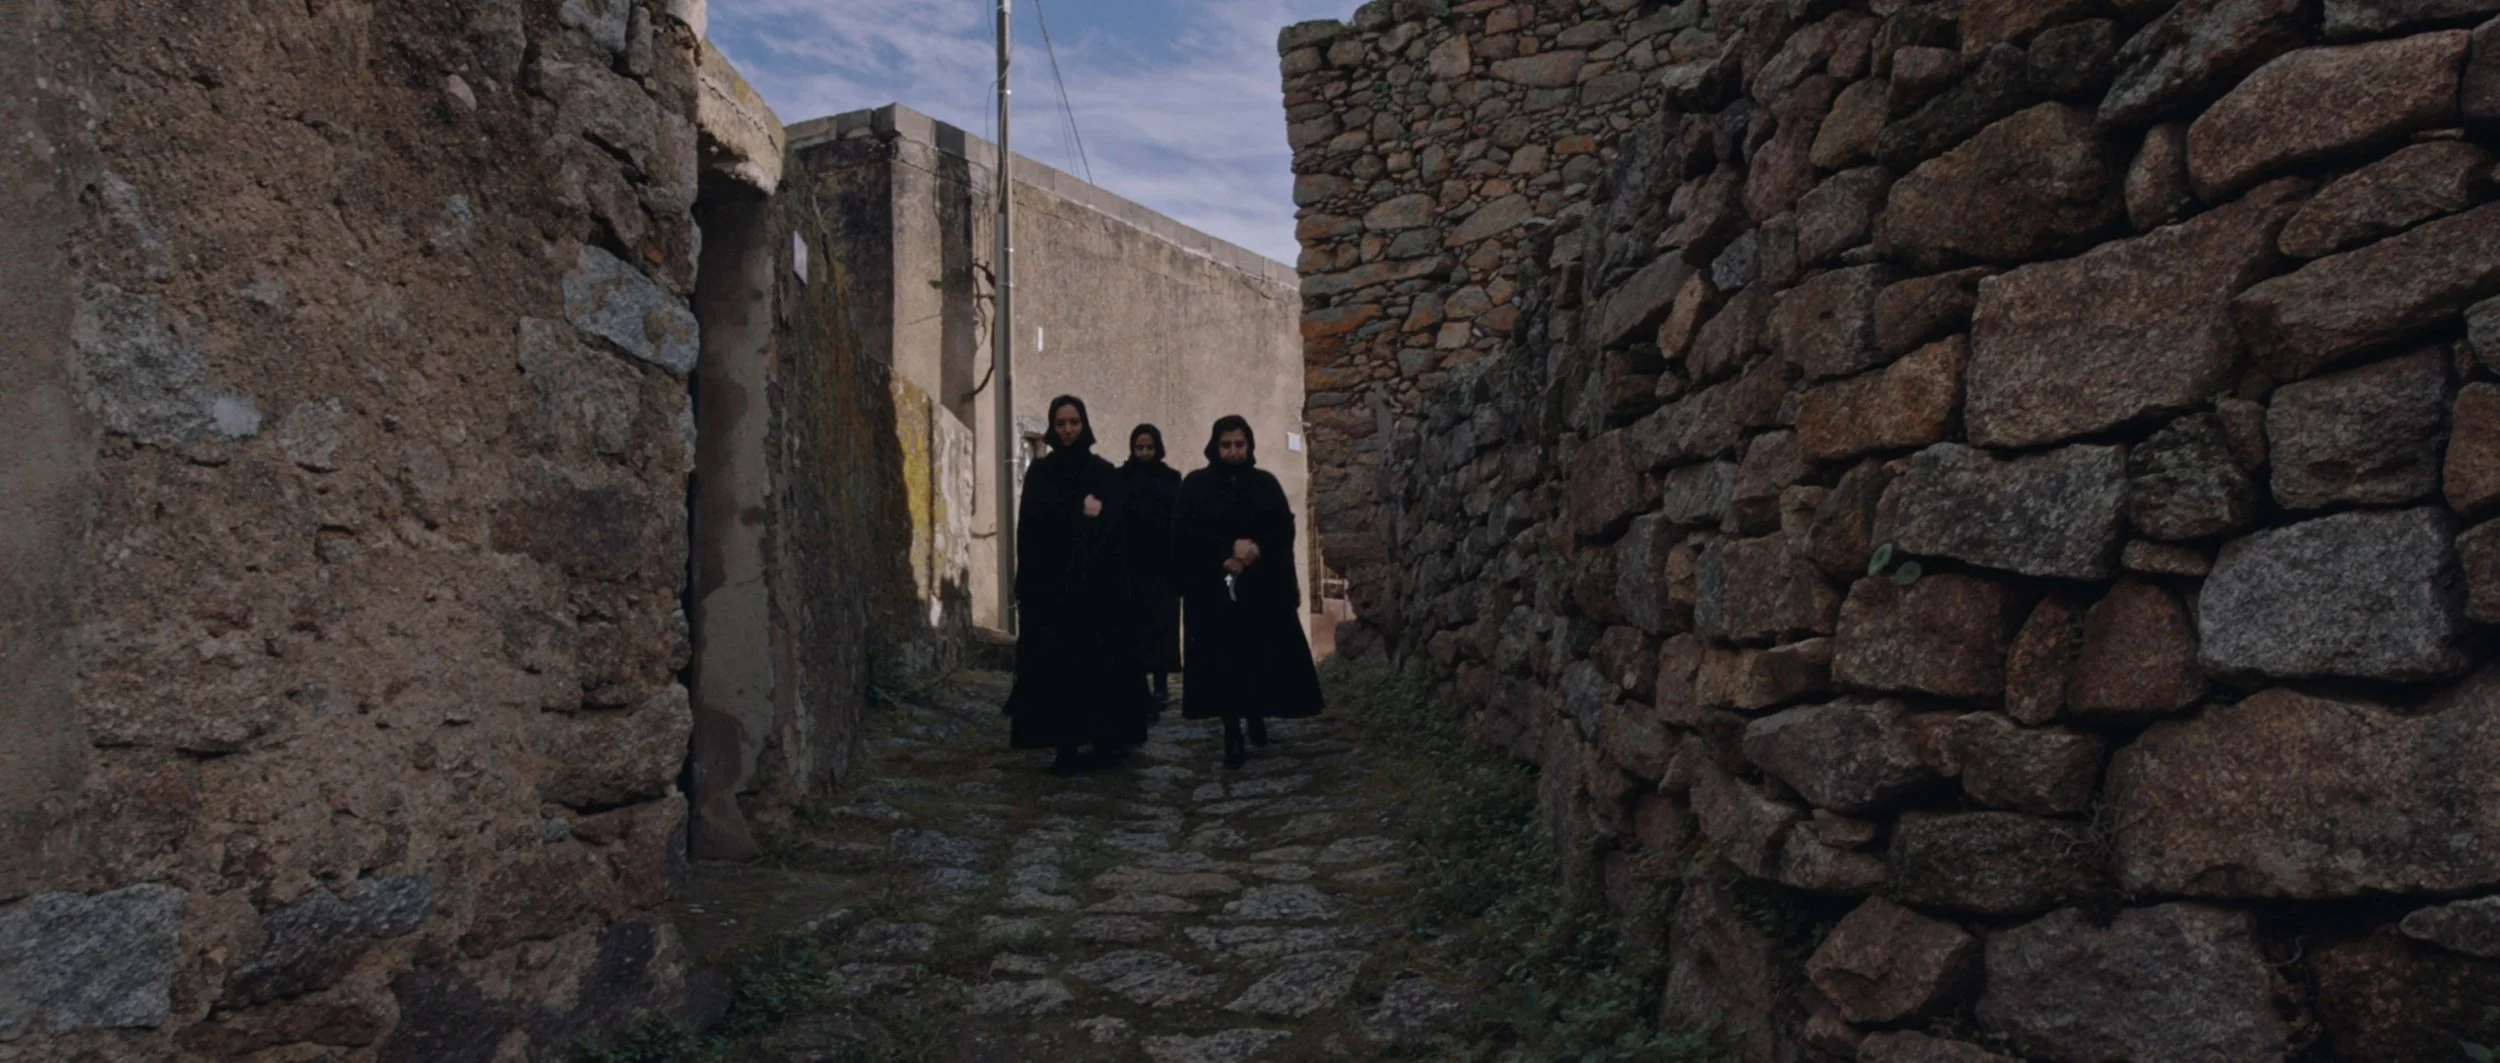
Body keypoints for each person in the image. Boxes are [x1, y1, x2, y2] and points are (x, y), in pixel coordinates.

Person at [1004, 396, 1152, 775]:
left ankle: (1105, 739)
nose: (1068, 430)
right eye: (1061, 423)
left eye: (1073, 422)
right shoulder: (1041, 473)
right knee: (1060, 668)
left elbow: (1115, 525)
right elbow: (1032, 525)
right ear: (1052, 428)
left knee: (1101, 663)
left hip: (1099, 590)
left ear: (1084, 424)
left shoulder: (1102, 472)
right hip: (1054, 590)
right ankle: (1065, 745)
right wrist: (1076, 510)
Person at [1174, 415, 1324, 770]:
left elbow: (1282, 530)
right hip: (1215, 593)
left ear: (1249, 445)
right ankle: (1232, 732)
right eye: (1226, 445)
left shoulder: (1265, 484)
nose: (1233, 451)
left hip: (1260, 590)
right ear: (1215, 446)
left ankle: (1256, 714)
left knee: (1257, 656)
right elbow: (1185, 533)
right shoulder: (1196, 486)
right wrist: (1225, 552)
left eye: (1239, 445)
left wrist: (1256, 552)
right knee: (1223, 661)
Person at [1117, 424, 1184, 712]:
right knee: (1132, 627)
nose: (1144, 453)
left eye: (1149, 447)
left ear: (1158, 448)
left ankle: (1160, 687)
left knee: (1162, 628)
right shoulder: (1120, 478)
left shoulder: (1171, 479)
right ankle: (1135, 687)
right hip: (1130, 567)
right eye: (1139, 448)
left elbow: (1179, 520)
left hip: (1163, 568)